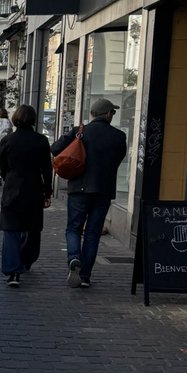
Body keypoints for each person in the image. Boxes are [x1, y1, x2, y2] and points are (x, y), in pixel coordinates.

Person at [51, 97, 127, 289]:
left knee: (73, 228)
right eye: (113, 112)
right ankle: (85, 276)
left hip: (79, 188)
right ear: (108, 114)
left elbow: (55, 149)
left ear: (93, 114)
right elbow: (119, 159)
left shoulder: (80, 132)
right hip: (103, 190)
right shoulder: (118, 136)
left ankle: (74, 258)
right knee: (93, 233)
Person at [0, 105, 53, 287]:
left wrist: (8, 179)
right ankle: (26, 260)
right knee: (32, 229)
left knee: (11, 230)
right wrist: (47, 192)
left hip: (13, 189)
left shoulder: (8, 140)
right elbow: (47, 168)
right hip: (34, 189)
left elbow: (2, 166)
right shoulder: (41, 141)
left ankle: (13, 271)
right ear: (34, 119)